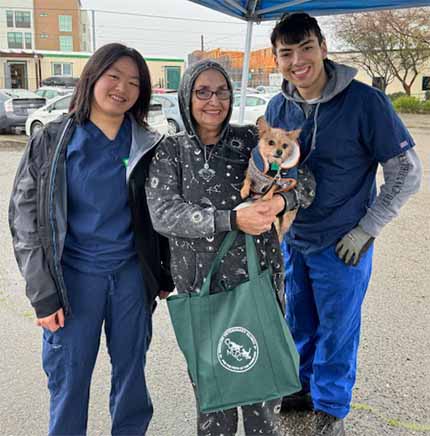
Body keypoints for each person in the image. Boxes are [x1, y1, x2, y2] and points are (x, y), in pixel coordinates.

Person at [265, 12, 423, 436]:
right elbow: (272, 168)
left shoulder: (365, 102)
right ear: (275, 58)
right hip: (294, 239)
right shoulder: (278, 106)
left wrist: (367, 229)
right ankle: (299, 387)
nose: (297, 61)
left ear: (323, 48)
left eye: (306, 48)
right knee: (296, 317)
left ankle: (331, 405)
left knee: (338, 325)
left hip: (343, 242)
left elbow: (406, 171)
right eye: (286, 53)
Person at [9, 43, 173, 436]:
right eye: (113, 76)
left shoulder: (147, 145)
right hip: (73, 280)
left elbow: (163, 212)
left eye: (134, 82)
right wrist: (42, 293)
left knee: (132, 372)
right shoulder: (53, 141)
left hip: (130, 277)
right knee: (69, 376)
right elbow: (25, 220)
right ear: (92, 78)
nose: (122, 88)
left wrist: (162, 272)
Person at [145, 59, 314, 436]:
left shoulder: (249, 143)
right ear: (186, 95)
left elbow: (306, 183)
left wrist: (280, 203)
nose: (213, 101)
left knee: (263, 400)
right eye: (202, 91)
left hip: (259, 287)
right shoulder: (170, 151)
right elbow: (164, 214)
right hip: (201, 291)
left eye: (221, 91)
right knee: (214, 400)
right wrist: (231, 219)